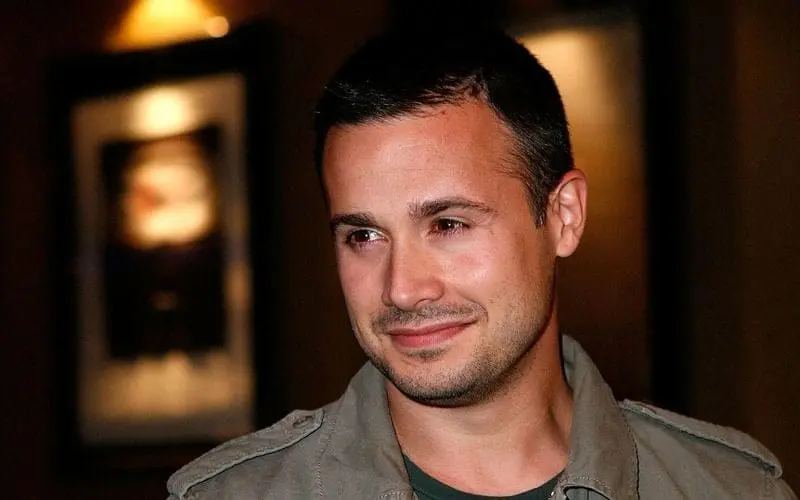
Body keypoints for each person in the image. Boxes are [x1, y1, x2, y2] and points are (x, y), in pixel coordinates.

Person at [167, 25, 797, 499]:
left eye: (448, 224)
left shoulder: (730, 489)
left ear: (564, 216)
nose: (402, 289)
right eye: (364, 235)